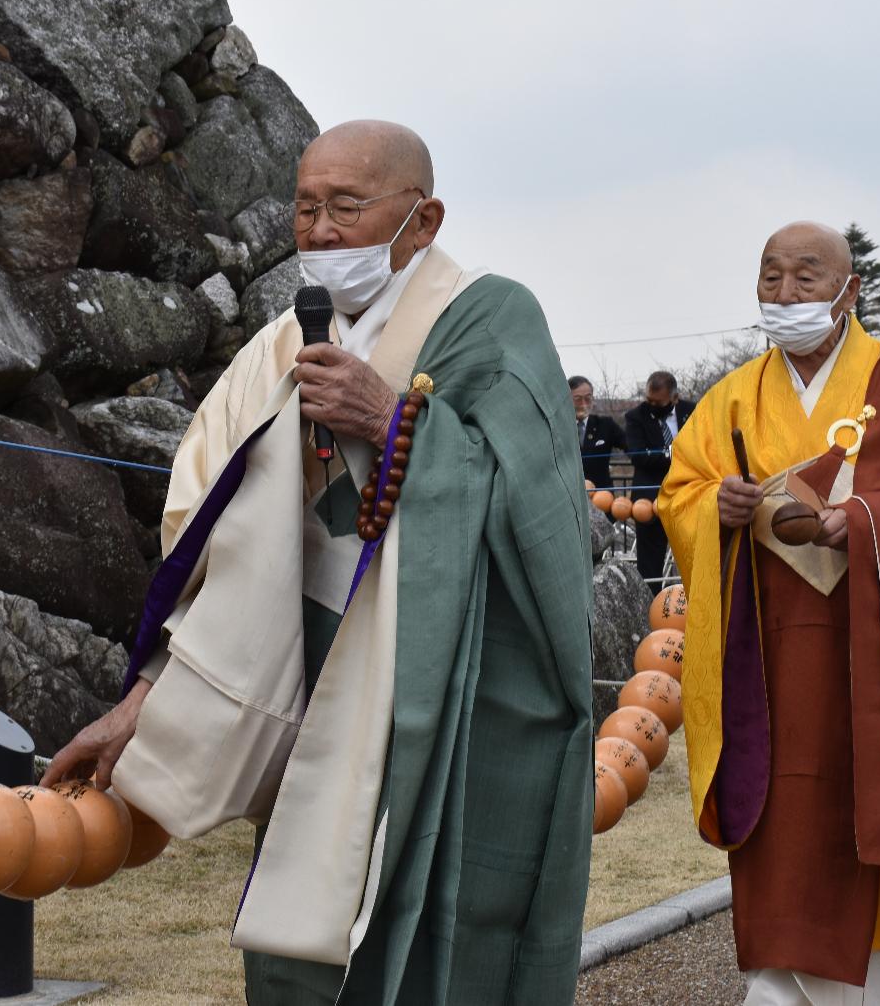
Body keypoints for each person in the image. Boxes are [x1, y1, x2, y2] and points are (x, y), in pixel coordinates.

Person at [42, 121, 593, 1005]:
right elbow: (214, 533)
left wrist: (397, 425)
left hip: (452, 689)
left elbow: (544, 512)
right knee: (304, 938)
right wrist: (146, 698)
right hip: (311, 677)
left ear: (424, 218)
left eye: (346, 206)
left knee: (447, 942)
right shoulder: (276, 348)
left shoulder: (493, 320)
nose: (322, 231)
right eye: (305, 208)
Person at [662, 222, 880, 1005]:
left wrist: (866, 519)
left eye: (806, 278)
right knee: (786, 840)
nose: (785, 294)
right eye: (770, 278)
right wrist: (712, 509)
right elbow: (677, 493)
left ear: (849, 290)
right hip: (772, 663)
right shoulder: (731, 395)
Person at [624, 371, 695, 581]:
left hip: (688, 493)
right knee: (650, 563)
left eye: (658, 402)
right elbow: (637, 455)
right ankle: (650, 606)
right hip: (649, 496)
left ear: (674, 398)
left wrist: (672, 453)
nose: (652, 405)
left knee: (693, 556)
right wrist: (675, 453)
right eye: (649, 400)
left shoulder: (692, 411)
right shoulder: (635, 417)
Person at [570, 376, 631, 492]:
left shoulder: (605, 425)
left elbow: (631, 446)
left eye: (588, 398)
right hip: (570, 495)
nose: (583, 404)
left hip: (602, 494)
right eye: (578, 399)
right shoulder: (559, 428)